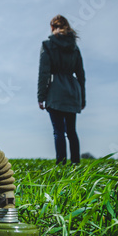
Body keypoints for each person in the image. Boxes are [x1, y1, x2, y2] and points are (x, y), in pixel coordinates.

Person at [37, 14, 86, 165]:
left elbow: (44, 73)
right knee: (72, 131)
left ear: (52, 27)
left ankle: (61, 165)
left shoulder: (47, 45)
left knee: (58, 131)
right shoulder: (74, 47)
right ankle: (76, 164)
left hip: (56, 92)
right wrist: (82, 98)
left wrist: (41, 96)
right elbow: (81, 74)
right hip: (73, 91)